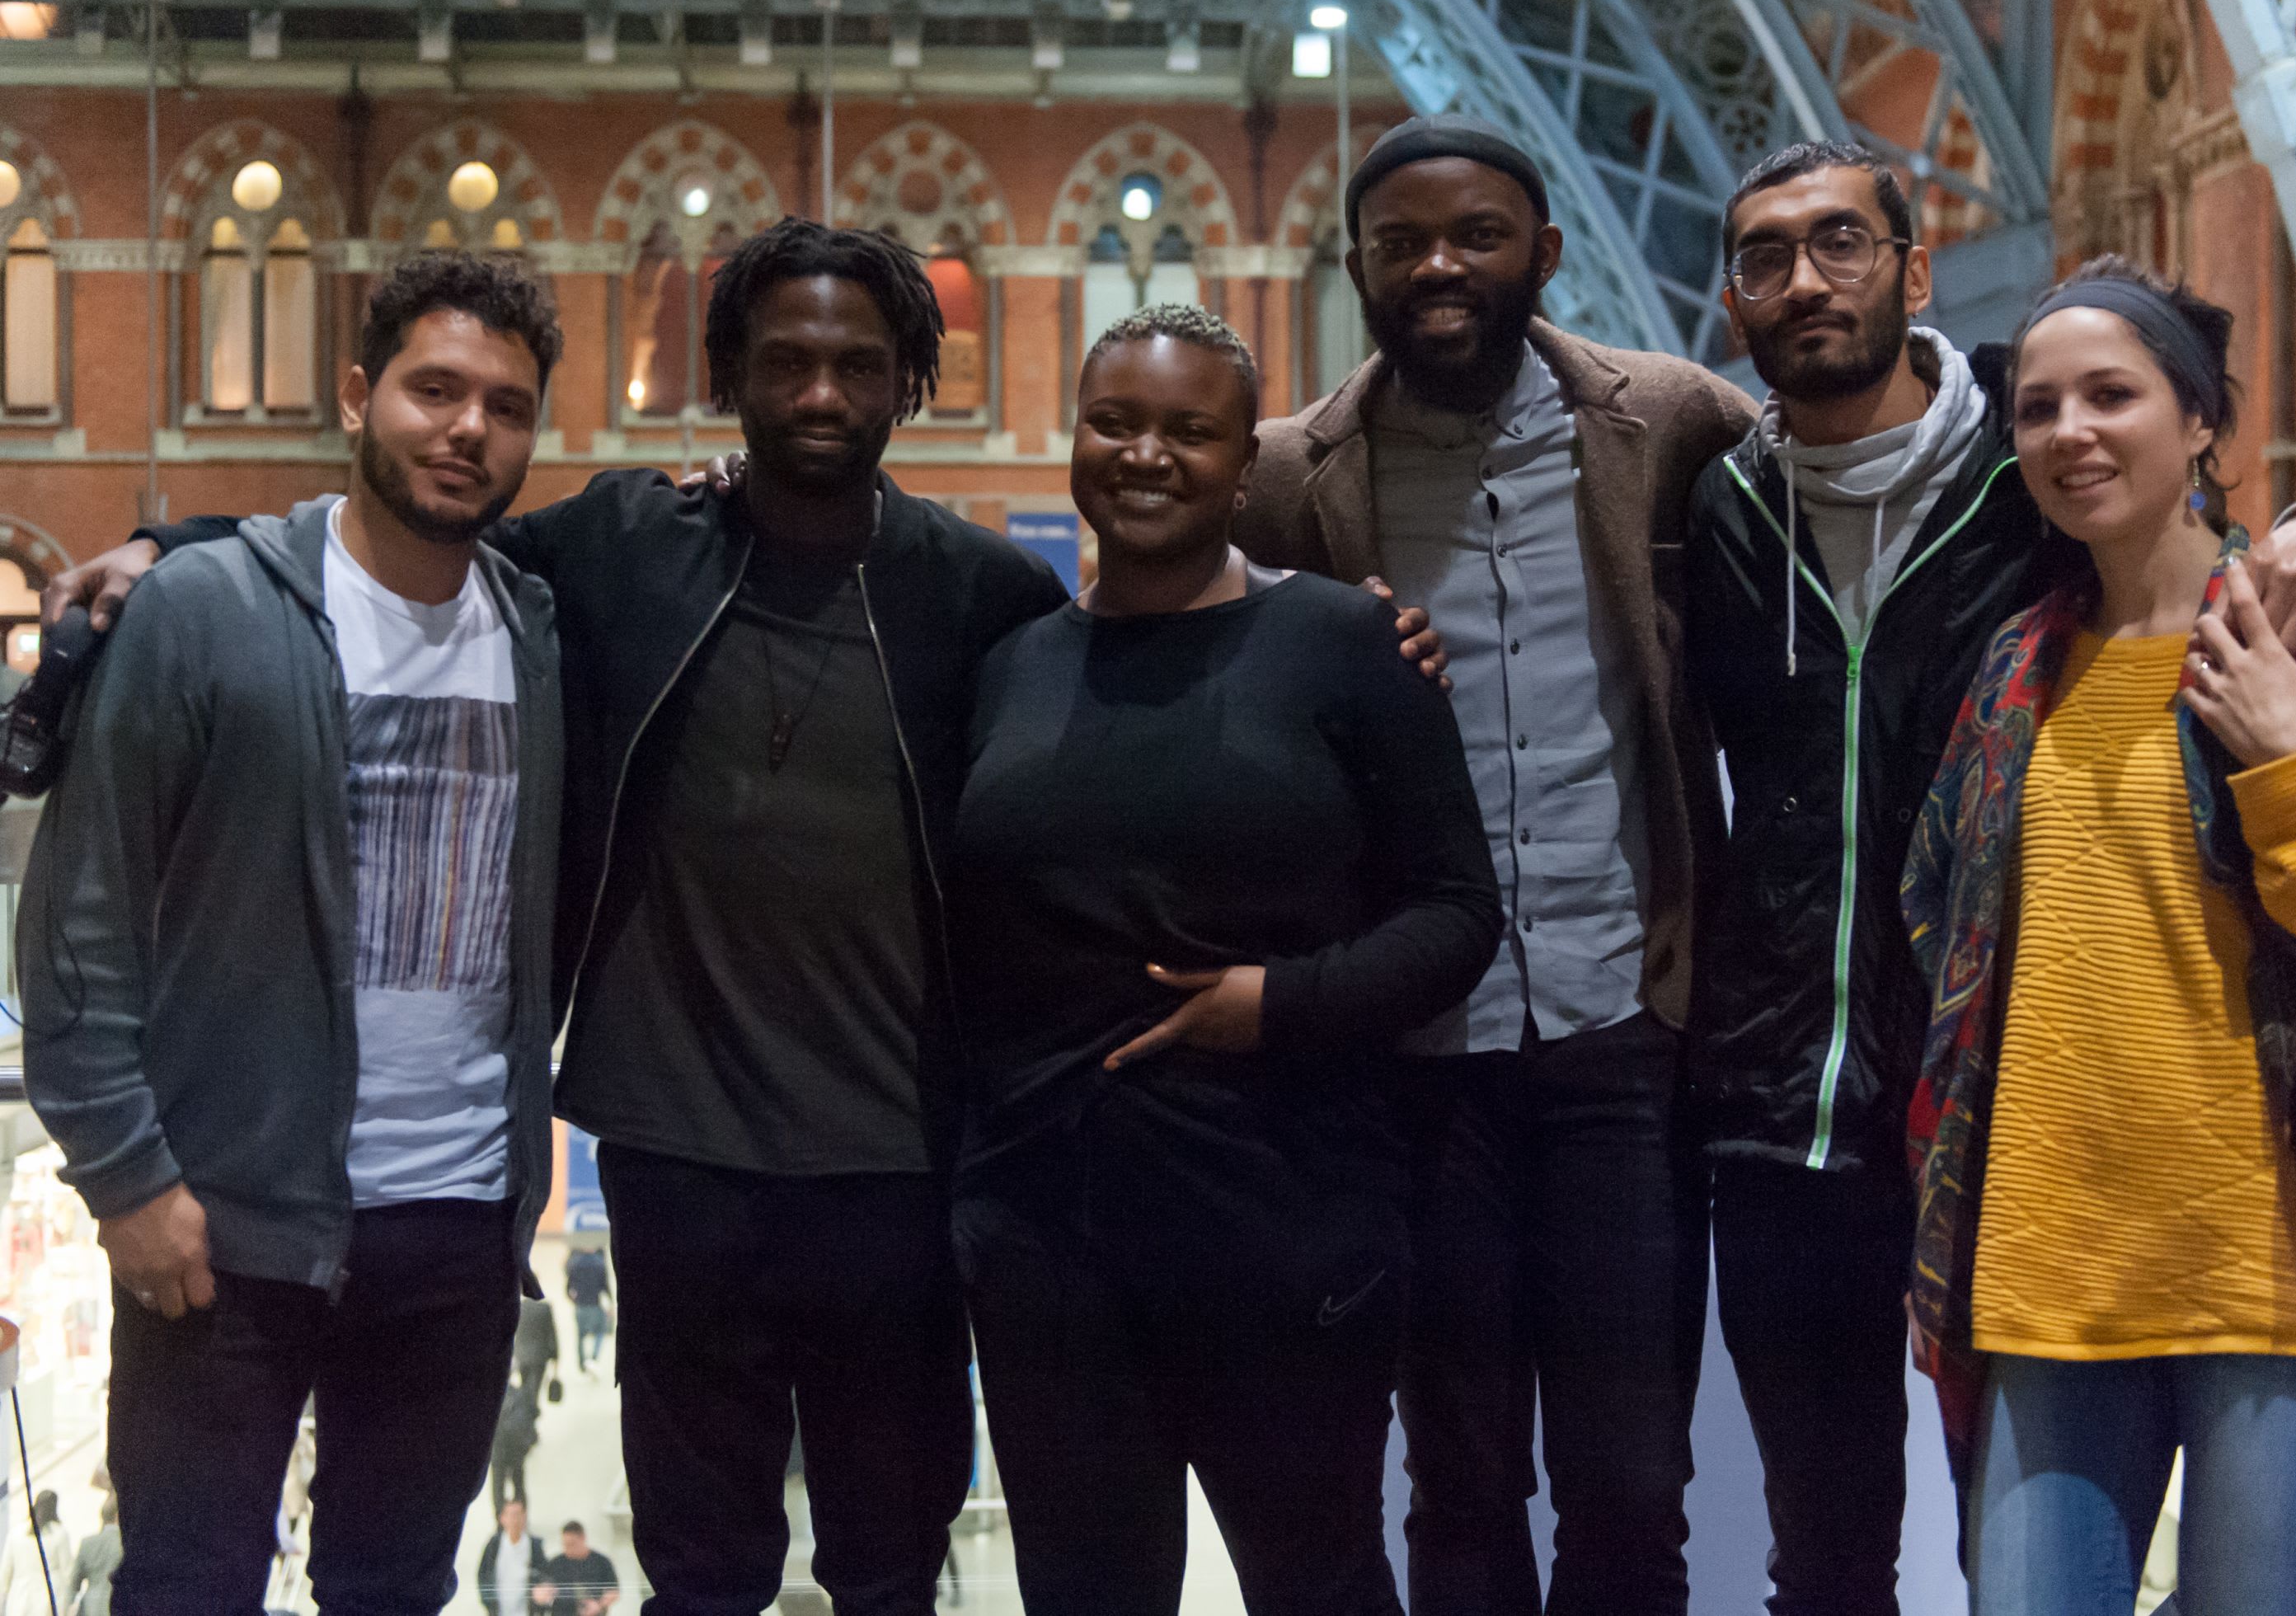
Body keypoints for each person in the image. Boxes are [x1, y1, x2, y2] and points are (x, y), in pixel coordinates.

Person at [44, 216, 1445, 1616]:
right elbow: (414, 525)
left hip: (899, 1174)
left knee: (893, 1573)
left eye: (856, 364)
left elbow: (1165, 624)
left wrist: (1329, 623)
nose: (821, 394)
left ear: (912, 383)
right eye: (785, 362)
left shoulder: (986, 598)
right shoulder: (626, 546)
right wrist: (178, 543)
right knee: (696, 1576)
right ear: (730, 376)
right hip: (673, 1174)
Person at [1681, 142, 2296, 1613]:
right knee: (1827, 1548)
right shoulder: (1712, 507)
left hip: (1983, 1127)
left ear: (1912, 271)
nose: (1804, 281)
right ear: (1731, 299)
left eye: (1841, 244)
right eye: (1764, 258)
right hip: (1771, 1119)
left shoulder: (2031, 487)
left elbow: (2204, 556)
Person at [1902, 258, 2296, 1614]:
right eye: (2038, 407)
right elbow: (1948, 935)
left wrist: (2293, 771)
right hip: (2050, 1272)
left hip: (2279, 1271)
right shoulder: (2014, 673)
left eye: (2113, 394)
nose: (2070, 431)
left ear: (2204, 423)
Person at [1241, 113, 1752, 1614]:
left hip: (1618, 1038)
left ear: (1544, 251)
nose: (1439, 266)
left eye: (1474, 235)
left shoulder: (1668, 419)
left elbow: (1881, 456)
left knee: (1632, 1479)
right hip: (1417, 1058)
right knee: (1458, 1476)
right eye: (1402, 243)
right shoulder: (1290, 482)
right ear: (1358, 268)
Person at [19, 251, 564, 1614]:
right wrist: (128, 1180)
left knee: (393, 1588)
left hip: (453, 1230)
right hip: (228, 1226)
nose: (467, 429)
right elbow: (79, 915)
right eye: (434, 390)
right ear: (355, 395)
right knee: (188, 1585)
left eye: (505, 404)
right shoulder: (210, 613)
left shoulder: (541, 631)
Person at [951, 304, 1500, 1615]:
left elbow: (1457, 913)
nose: (1147, 455)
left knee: (1320, 1588)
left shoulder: (1346, 644)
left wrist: (1279, 1004)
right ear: (1074, 437)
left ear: (1244, 463)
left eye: (1190, 431)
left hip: (1285, 1227)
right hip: (1049, 1245)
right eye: (1116, 422)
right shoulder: (1009, 667)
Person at [479, 1501, 554, 1616]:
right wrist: (488, 1604)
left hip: (526, 1611)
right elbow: (483, 1575)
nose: (515, 1519)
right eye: (511, 1515)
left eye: (519, 1514)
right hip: (499, 1610)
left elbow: (545, 1574)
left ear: (524, 1517)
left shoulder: (534, 1545)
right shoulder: (494, 1544)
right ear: (502, 1518)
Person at [0, 1492, 67, 1616]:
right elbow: (68, 1570)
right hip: (49, 1599)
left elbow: (5, 1573)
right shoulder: (59, 1533)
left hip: (19, 1601)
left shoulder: (16, 1533)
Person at [546, 1520, 623, 1616]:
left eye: (572, 1544)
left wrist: (599, 1604)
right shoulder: (556, 1563)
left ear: (583, 1538)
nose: (568, 1549)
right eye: (565, 1544)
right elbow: (544, 1587)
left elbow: (613, 1592)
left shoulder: (601, 1562)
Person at [66, 1496, 118, 1616]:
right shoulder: (124, 1544)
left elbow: (74, 1582)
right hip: (114, 1605)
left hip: (89, 1607)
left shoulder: (87, 1543)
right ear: (118, 1516)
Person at [493, 1379, 540, 1512]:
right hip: (517, 1448)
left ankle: (502, 1522)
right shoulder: (521, 1393)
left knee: (498, 1487)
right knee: (518, 1482)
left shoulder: (489, 1397)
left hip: (498, 1449)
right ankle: (521, 1518)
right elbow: (535, 1412)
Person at [566, 1243, 613, 1373]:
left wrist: (573, 1300)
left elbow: (568, 1287)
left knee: (580, 1335)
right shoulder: (600, 1264)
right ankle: (594, 1358)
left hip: (580, 1305)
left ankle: (582, 1363)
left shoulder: (575, 1264)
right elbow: (605, 1286)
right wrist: (611, 1303)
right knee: (600, 1331)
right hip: (595, 1304)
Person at [515, 1294, 561, 1409]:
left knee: (524, 1385)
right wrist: (555, 1356)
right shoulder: (545, 1308)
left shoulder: (519, 1306)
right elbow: (552, 1333)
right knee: (535, 1387)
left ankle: (524, 1412)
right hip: (539, 1356)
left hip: (522, 1355)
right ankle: (531, 1411)